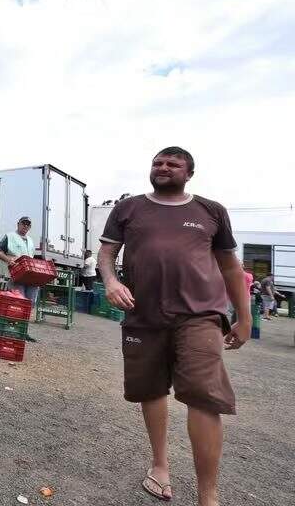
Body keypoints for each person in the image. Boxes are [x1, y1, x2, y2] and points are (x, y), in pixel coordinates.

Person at [98, 146, 250, 506]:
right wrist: (111, 281)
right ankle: (160, 465)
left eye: (173, 164)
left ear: (189, 173)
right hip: (143, 314)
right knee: (150, 390)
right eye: (158, 162)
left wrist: (244, 318)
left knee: (204, 394)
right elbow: (107, 254)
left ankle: (208, 496)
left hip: (199, 315)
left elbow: (230, 266)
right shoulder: (128, 208)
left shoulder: (211, 211)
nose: (163, 167)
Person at [0, 216, 40, 305]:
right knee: (18, 302)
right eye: (23, 223)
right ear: (18, 224)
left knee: (30, 303)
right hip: (15, 275)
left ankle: (27, 313)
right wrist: (8, 260)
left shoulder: (30, 240)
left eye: (28, 224)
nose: (25, 226)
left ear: (30, 227)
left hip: (29, 276)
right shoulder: (10, 236)